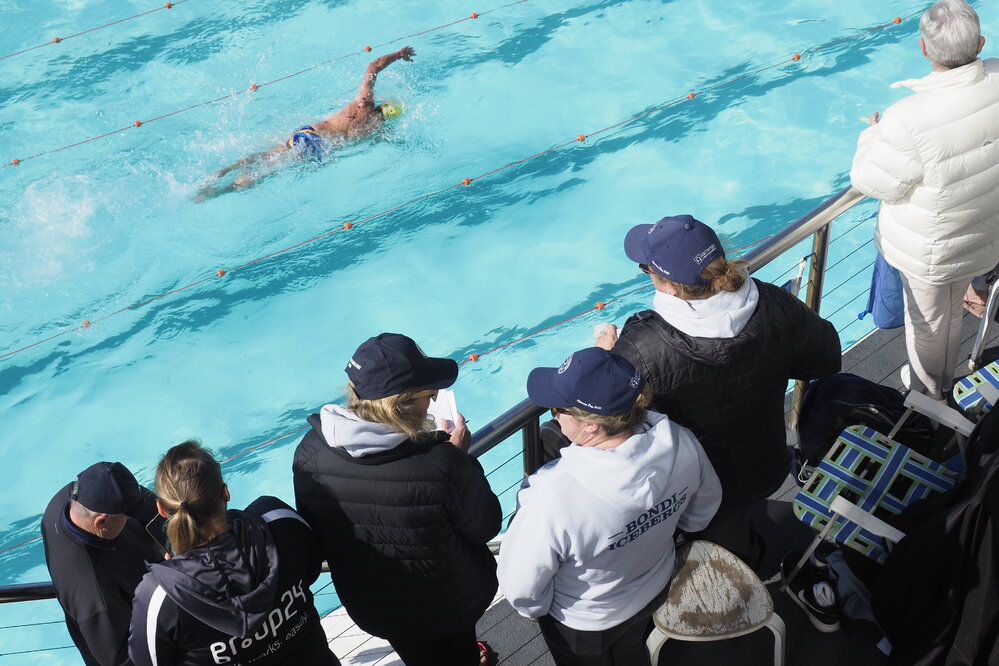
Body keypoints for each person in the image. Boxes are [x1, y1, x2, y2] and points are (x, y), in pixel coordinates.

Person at [596, 215, 841, 567]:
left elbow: (608, 429)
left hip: (691, 496)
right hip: (766, 464)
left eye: (645, 268)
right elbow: (827, 358)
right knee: (740, 529)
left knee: (725, 561)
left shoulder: (643, 347)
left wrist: (604, 364)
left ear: (665, 285)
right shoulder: (771, 302)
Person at [498, 347, 722, 666]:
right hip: (653, 586)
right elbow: (701, 513)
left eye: (556, 410)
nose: (553, 416)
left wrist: (539, 610)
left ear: (591, 425)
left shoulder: (551, 498)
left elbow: (523, 589)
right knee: (632, 650)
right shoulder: (681, 441)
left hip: (586, 620)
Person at [293, 332, 502, 666]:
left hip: (377, 607)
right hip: (448, 603)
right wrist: (459, 458)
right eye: (427, 394)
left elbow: (323, 533)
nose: (433, 401)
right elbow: (486, 524)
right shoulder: (440, 463)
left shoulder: (311, 451)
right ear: (400, 405)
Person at [850, 0, 999, 401]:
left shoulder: (907, 117)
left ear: (923, 49)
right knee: (949, 313)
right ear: (981, 42)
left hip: (932, 250)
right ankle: (941, 383)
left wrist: (873, 135)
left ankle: (930, 398)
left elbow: (873, 181)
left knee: (931, 322)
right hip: (985, 234)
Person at [128, 441, 339, 666]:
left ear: (161, 509)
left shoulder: (162, 594)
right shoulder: (279, 521)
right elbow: (313, 567)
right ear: (225, 492)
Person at [194, 46, 415, 201]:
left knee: (263, 156)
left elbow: (373, 66)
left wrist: (397, 55)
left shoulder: (364, 104)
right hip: (316, 146)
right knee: (265, 172)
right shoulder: (375, 133)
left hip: (309, 132)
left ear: (381, 106)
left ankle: (221, 173)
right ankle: (221, 192)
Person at [40, 461, 167, 666]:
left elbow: (147, 507)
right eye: (126, 515)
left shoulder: (75, 496)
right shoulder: (93, 592)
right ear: (101, 522)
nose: (131, 516)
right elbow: (122, 660)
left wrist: (179, 543)